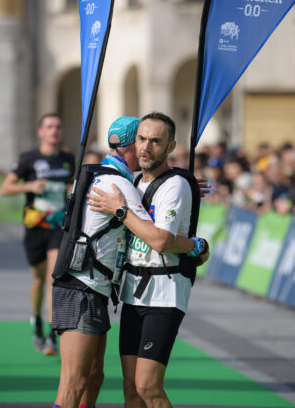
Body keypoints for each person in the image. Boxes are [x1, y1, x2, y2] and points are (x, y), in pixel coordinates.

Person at [51, 117, 207, 408]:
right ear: (131, 145)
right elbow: (156, 233)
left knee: (110, 381)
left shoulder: (116, 177)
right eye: (141, 140)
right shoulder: (121, 183)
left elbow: (159, 229)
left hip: (143, 291)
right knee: (79, 383)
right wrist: (197, 244)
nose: (146, 147)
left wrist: (182, 184)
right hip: (91, 288)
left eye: (155, 141)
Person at [0, 114, 75, 355]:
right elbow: (5, 187)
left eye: (58, 126)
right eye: (49, 127)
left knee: (55, 278)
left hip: (58, 227)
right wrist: (30, 186)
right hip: (34, 228)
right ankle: (36, 320)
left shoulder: (68, 158)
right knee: (38, 279)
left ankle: (53, 334)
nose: (54, 130)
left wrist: (71, 189)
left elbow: (74, 185)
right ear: (40, 132)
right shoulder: (28, 158)